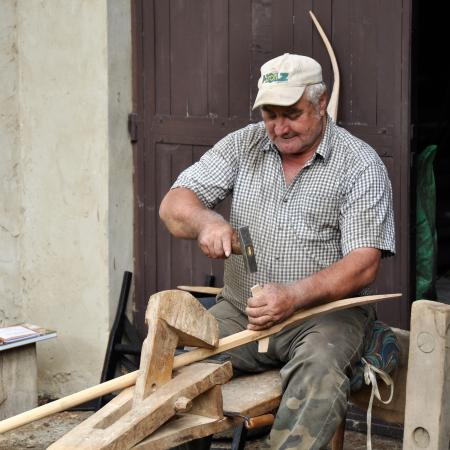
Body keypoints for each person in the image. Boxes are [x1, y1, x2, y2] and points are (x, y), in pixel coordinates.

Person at [159, 53, 395, 449]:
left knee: (319, 370)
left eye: (292, 114)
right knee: (179, 369)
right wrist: (208, 222)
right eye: (270, 115)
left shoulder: (360, 165)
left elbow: (363, 264)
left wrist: (294, 296)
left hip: (323, 316)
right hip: (242, 311)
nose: (279, 128)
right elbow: (173, 205)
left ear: (320, 104)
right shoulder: (244, 144)